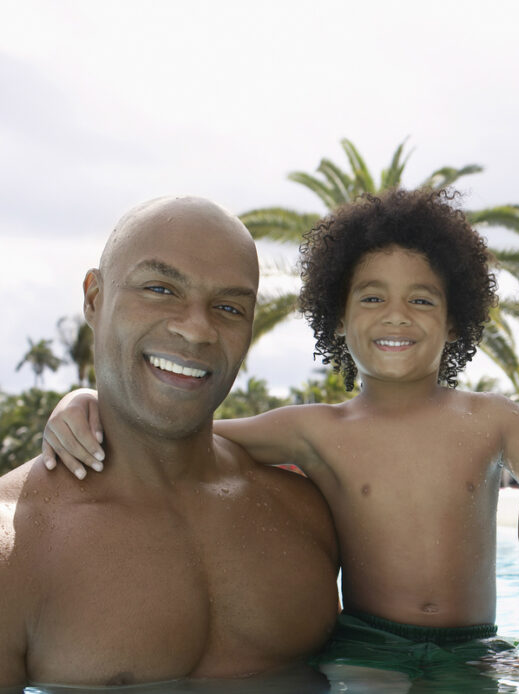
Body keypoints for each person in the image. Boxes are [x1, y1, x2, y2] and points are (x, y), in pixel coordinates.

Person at [37, 189, 519, 683]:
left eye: (421, 300)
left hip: (473, 647)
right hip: (369, 645)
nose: (396, 314)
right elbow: (189, 434)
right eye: (372, 298)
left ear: (454, 323)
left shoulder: (493, 420)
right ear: (338, 320)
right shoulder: (316, 430)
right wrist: (87, 401)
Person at [0, 197, 340, 689]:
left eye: (229, 307)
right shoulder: (15, 549)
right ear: (94, 299)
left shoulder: (304, 511)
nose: (197, 329)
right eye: (160, 289)